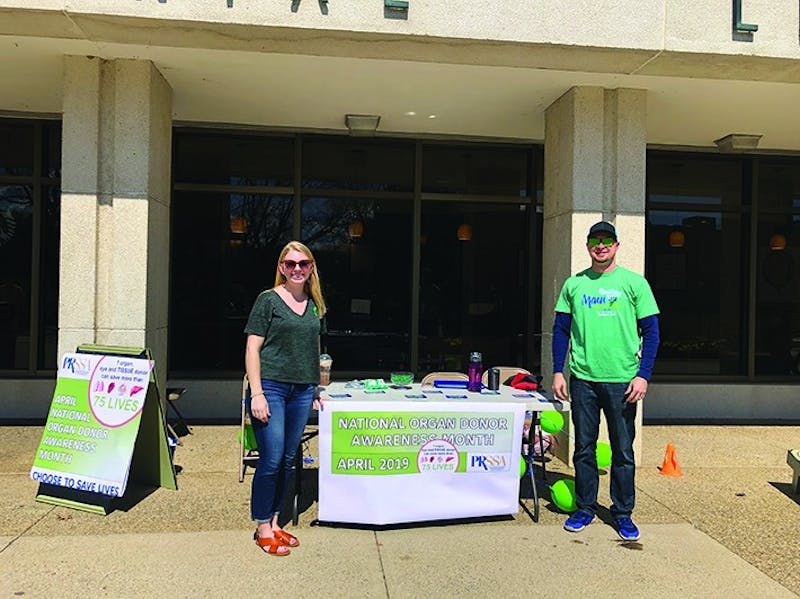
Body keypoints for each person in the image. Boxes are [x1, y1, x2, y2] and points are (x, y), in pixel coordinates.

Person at [551, 221, 660, 541]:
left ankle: (622, 512)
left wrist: (644, 375)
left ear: (616, 245)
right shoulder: (574, 285)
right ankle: (585, 507)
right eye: (595, 241)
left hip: (623, 380)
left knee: (623, 450)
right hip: (583, 378)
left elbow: (652, 333)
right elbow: (560, 331)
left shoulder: (634, 284)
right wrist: (558, 370)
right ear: (587, 246)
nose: (601, 246)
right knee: (583, 447)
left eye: (607, 241)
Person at [244, 241, 327, 556]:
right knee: (272, 458)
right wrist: (257, 393)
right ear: (281, 267)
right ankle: (262, 525)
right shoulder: (268, 301)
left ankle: (276, 523)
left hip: (302, 391)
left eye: (303, 264)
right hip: (272, 389)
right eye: (290, 264)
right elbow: (253, 348)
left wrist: (316, 388)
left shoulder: (314, 304)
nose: (297, 269)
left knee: (291, 460)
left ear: (310, 268)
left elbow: (313, 351)